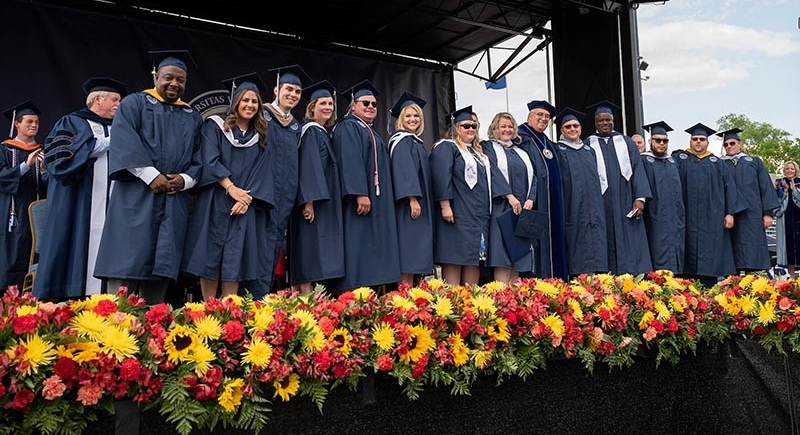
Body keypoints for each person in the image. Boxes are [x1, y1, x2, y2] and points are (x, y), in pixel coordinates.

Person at [181, 73, 273, 301]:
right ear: (235, 102)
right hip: (215, 197)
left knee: (236, 255)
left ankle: (229, 310)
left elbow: (264, 170)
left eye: (254, 102)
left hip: (244, 203)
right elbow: (209, 159)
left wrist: (246, 199)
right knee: (210, 253)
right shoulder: (214, 126)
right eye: (245, 100)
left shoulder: (260, 135)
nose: (250, 105)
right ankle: (210, 306)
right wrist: (231, 189)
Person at [34, 78, 126, 301]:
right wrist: (107, 142)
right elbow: (60, 161)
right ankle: (65, 298)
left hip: (114, 205)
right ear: (97, 99)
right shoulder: (72, 123)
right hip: (77, 201)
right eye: (114, 100)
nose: (118, 105)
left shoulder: (122, 128)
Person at [243, 65, 312, 298]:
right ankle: (244, 299)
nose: (293, 94)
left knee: (273, 247)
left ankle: (261, 298)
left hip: (286, 196)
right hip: (260, 193)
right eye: (289, 89)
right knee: (254, 244)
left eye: (297, 91)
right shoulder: (261, 114)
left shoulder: (295, 126)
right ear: (276, 90)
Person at [330, 80, 401, 293]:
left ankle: (370, 292)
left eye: (374, 104)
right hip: (360, 201)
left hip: (375, 200)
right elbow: (350, 161)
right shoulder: (348, 127)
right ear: (353, 106)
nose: (371, 107)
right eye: (365, 103)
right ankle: (352, 294)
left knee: (371, 246)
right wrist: (360, 193)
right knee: (357, 244)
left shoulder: (368, 129)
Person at [288, 79, 345, 294]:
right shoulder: (310, 131)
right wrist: (308, 202)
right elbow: (309, 168)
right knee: (309, 248)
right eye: (322, 104)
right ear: (312, 107)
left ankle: (312, 297)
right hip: (312, 202)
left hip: (323, 201)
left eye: (330, 104)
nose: (328, 108)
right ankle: (304, 294)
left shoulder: (321, 132)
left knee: (317, 249)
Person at [585, 100, 652, 276]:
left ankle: (631, 278)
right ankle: (605, 279)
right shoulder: (588, 144)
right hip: (601, 201)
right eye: (601, 120)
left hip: (625, 199)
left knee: (629, 239)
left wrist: (640, 198)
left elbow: (638, 170)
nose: (605, 123)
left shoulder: (627, 142)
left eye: (608, 120)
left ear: (613, 121)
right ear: (596, 122)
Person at [671, 123, 741, 288]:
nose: (698, 142)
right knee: (685, 253)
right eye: (695, 139)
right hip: (685, 217)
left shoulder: (717, 163)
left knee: (710, 254)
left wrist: (729, 213)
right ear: (690, 141)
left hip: (711, 218)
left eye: (702, 139)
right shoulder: (679, 160)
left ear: (708, 142)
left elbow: (729, 188)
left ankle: (708, 289)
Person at [430, 105, 491, 286]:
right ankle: (454, 304)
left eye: (474, 126)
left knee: (473, 258)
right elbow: (441, 177)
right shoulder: (446, 147)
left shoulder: (478, 153)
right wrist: (445, 205)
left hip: (476, 215)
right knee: (454, 256)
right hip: (456, 212)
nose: (471, 129)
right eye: (466, 126)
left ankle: (470, 305)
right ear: (456, 127)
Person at [552, 107, 608, 277]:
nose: (572, 129)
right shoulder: (558, 150)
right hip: (572, 209)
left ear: (581, 128)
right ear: (561, 130)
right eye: (568, 127)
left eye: (575, 126)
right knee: (576, 251)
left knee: (596, 249)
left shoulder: (589, 151)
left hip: (594, 210)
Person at [517, 99, 568, 281]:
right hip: (533, 204)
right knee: (536, 247)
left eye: (547, 117)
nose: (543, 119)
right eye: (539, 114)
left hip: (553, 205)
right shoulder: (521, 137)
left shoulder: (548, 142)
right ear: (529, 115)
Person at [718, 127, 779, 274]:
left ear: (740, 143)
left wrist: (768, 213)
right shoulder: (720, 164)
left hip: (752, 214)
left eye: (732, 143)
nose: (729, 147)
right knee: (731, 252)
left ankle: (751, 287)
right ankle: (731, 287)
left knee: (752, 250)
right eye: (726, 144)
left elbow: (765, 186)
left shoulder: (754, 162)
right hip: (729, 214)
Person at [482, 112, 535, 283]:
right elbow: (492, 171)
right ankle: (502, 298)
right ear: (495, 129)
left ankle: (514, 302)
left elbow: (534, 177)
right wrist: (509, 196)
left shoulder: (521, 152)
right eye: (502, 126)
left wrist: (530, 198)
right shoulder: (488, 147)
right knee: (503, 254)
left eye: (510, 126)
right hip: (502, 207)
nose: (507, 129)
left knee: (518, 254)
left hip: (522, 210)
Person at [0, 101, 47, 291]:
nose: (34, 125)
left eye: (36, 122)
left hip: (35, 213)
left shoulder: (42, 150)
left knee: (34, 252)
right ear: (17, 124)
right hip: (11, 213)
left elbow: (48, 186)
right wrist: (25, 166)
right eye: (29, 122)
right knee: (9, 252)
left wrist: (44, 172)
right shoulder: (4, 149)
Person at [388, 91, 433, 286]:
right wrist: (412, 198)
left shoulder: (414, 141)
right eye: (408, 116)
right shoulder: (401, 140)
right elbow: (404, 170)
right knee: (409, 250)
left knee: (416, 251)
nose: (413, 119)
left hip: (418, 205)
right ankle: (403, 295)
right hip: (409, 206)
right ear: (400, 119)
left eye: (416, 116)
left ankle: (412, 294)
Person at [640, 121, 685, 273]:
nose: (661, 143)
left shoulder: (672, 162)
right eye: (657, 140)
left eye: (664, 141)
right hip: (654, 217)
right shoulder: (644, 161)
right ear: (650, 141)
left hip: (675, 218)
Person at [775, 161, 800, 278]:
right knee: (788, 246)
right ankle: (791, 276)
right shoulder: (779, 184)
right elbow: (776, 205)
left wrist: (794, 191)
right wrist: (785, 192)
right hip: (785, 219)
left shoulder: (799, 183)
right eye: (787, 169)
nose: (790, 171)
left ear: (796, 170)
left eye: (792, 169)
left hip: (798, 218)